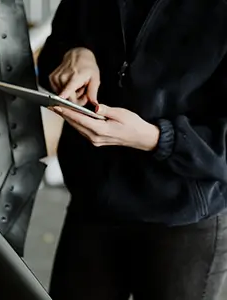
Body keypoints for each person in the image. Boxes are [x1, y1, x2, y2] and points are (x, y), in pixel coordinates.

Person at [37, 0, 227, 299]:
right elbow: (55, 51)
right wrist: (75, 55)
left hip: (183, 217)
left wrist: (155, 138)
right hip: (92, 202)